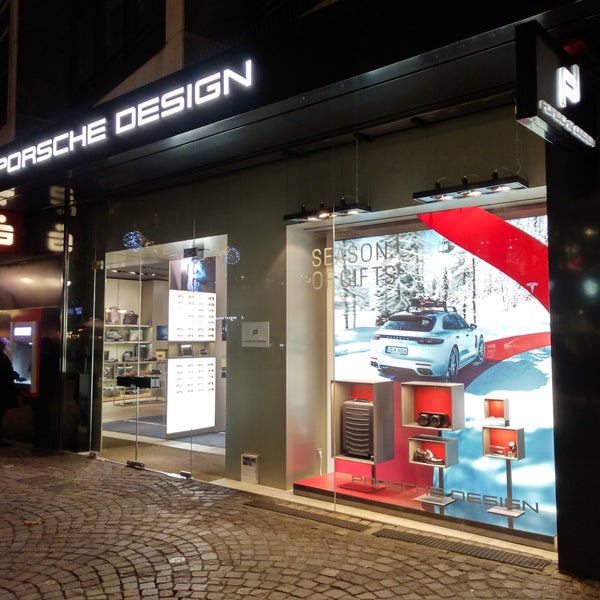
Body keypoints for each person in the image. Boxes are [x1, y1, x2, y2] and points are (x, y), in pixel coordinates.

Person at [0, 336, 20, 446]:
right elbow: (6, 373)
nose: (9, 348)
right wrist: (16, 374)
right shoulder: (3, 358)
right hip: (3, 392)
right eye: (8, 345)